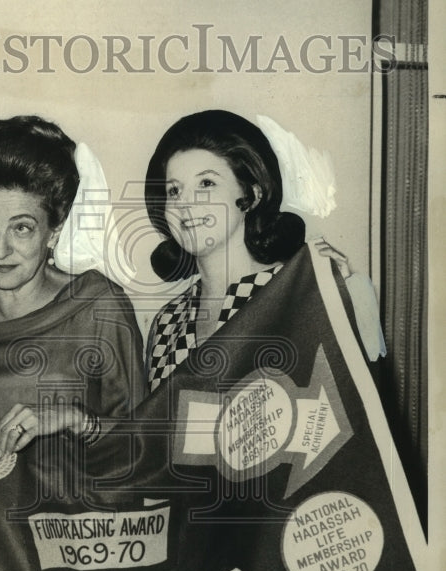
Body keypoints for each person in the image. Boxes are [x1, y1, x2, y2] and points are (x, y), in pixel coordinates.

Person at [0, 115, 145, 458]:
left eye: (21, 228)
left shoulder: (96, 304)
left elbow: (144, 442)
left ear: (54, 230)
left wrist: (76, 420)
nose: (0, 250)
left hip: (72, 509)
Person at [143, 109, 382, 390]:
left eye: (206, 183)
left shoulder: (300, 295)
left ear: (251, 195)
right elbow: (154, 430)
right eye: (174, 191)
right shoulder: (166, 322)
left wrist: (340, 305)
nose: (185, 204)